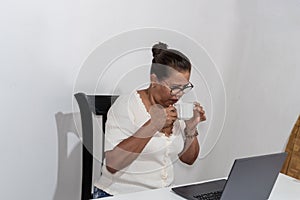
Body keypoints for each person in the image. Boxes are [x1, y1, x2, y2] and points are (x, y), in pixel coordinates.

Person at [93, 42, 206, 198]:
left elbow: (188, 159)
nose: (179, 95)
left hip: (162, 194)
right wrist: (153, 125)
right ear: (154, 80)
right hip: (120, 194)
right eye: (174, 87)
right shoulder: (127, 106)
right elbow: (112, 164)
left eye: (184, 87)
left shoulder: (174, 107)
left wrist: (191, 128)